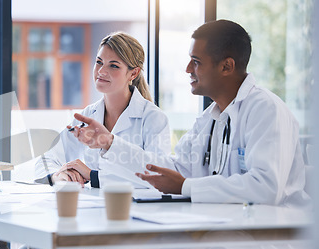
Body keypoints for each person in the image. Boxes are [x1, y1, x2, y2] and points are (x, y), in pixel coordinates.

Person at [71, 20, 310, 208]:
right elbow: (173, 168)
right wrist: (110, 143)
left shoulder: (265, 109)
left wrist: (187, 187)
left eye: (196, 61)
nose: (187, 69)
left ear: (226, 66)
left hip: (271, 238)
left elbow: (265, 187)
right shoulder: (210, 118)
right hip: (224, 227)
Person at [36, 31, 170, 189]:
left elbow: (159, 176)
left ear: (133, 73)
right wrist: (60, 175)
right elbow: (46, 159)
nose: (101, 71)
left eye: (113, 66)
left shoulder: (153, 118)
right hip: (94, 207)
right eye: (99, 62)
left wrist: (93, 176)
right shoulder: (87, 115)